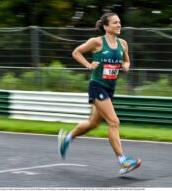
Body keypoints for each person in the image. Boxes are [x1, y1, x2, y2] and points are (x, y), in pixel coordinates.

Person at [58, 12, 141, 175]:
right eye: (115, 23)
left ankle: (66, 139)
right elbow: (76, 52)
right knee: (113, 121)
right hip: (97, 87)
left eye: (120, 22)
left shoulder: (123, 43)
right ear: (106, 27)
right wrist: (88, 65)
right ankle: (123, 161)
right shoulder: (96, 42)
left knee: (93, 123)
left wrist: (126, 64)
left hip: (110, 89)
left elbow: (127, 59)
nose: (119, 25)